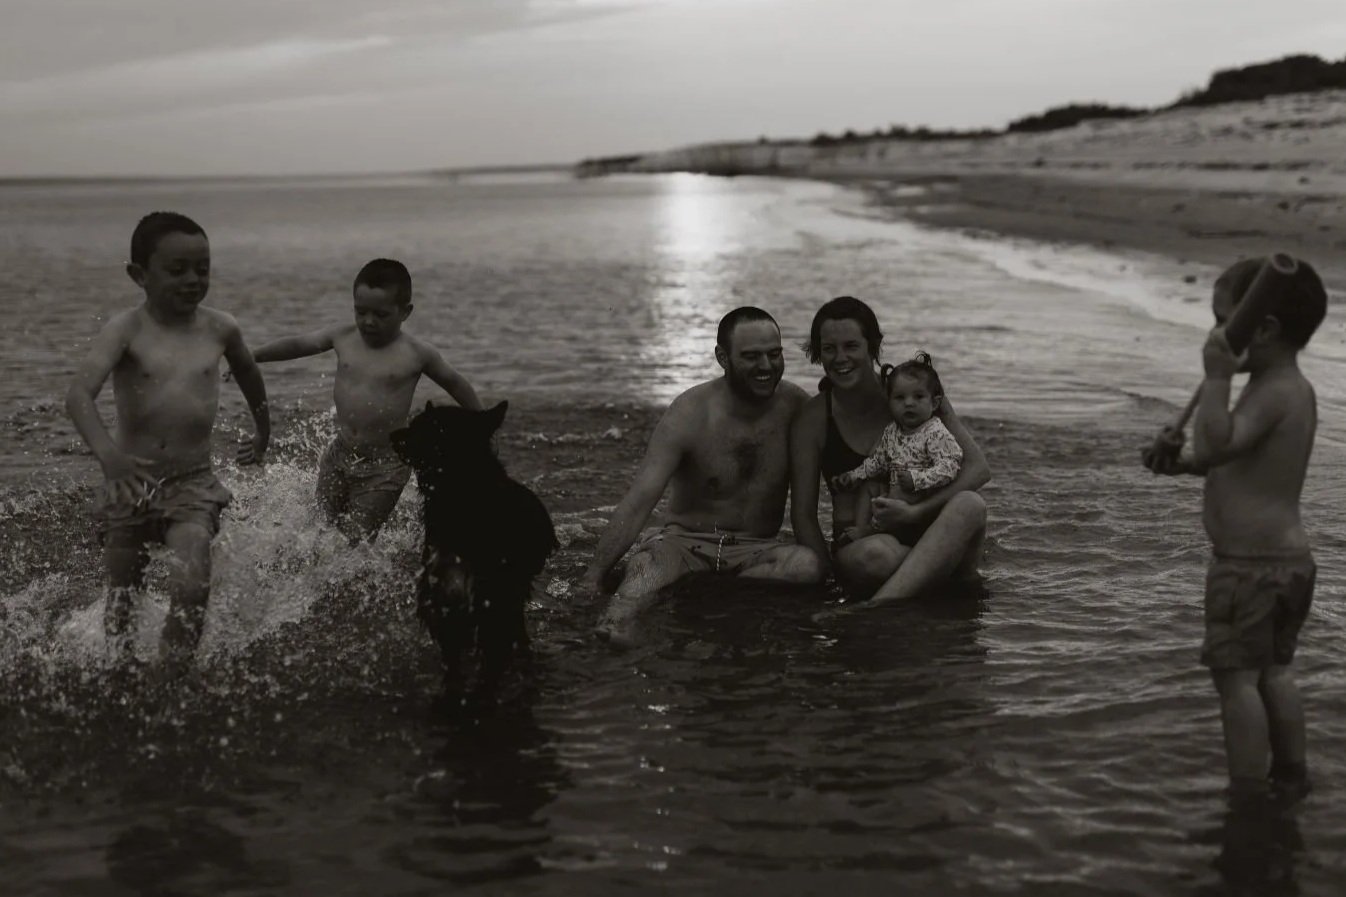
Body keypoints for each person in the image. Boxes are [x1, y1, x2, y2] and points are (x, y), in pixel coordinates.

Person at [1145, 257, 1327, 801]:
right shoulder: (1290, 390)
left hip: (1249, 568)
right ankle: (1292, 775)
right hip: (1287, 563)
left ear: (1262, 329)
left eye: (1222, 321)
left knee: (1236, 682)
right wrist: (1181, 462)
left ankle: (1246, 801)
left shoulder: (1269, 392)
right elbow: (1229, 456)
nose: (1212, 335)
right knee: (1273, 673)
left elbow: (1221, 441)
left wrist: (1219, 376)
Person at [65, 211, 271, 674]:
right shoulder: (126, 330)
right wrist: (110, 458)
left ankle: (173, 677)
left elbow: (249, 375)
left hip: (193, 484)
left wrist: (263, 430)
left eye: (203, 268)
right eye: (177, 270)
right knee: (122, 597)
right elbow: (79, 396)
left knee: (194, 583)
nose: (193, 280)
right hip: (130, 484)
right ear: (139, 275)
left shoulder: (220, 328)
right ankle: (120, 673)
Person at [584, 307, 825, 644]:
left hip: (754, 550)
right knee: (647, 568)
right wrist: (593, 575)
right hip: (684, 544)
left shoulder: (796, 407)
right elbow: (640, 500)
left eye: (774, 354)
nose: (767, 367)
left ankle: (705, 590)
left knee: (806, 566)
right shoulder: (690, 412)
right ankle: (612, 627)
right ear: (722, 357)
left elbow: (811, 500)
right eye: (752, 357)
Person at [251, 258, 483, 541]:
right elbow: (300, 344)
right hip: (339, 455)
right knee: (318, 533)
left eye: (381, 314)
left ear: (405, 312)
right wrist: (253, 356)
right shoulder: (343, 336)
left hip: (385, 467)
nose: (368, 321)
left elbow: (455, 383)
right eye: (360, 312)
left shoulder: (417, 354)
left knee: (354, 542)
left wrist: (483, 425)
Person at [789, 296, 989, 606]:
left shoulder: (914, 392)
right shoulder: (814, 419)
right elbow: (803, 515)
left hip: (930, 529)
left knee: (971, 504)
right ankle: (928, 579)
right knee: (876, 555)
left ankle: (877, 606)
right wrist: (826, 580)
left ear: (874, 346)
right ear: (817, 353)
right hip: (867, 543)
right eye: (829, 349)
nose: (840, 358)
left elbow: (979, 469)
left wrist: (916, 513)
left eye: (851, 346)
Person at [829, 352, 963, 548]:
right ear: (889, 402)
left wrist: (917, 479)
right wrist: (854, 476)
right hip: (896, 495)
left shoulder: (935, 432)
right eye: (900, 398)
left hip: (923, 503)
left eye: (918, 397)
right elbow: (878, 462)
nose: (909, 403)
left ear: (934, 403)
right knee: (870, 487)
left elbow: (950, 466)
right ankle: (862, 531)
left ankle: (871, 531)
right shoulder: (892, 431)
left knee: (901, 493)